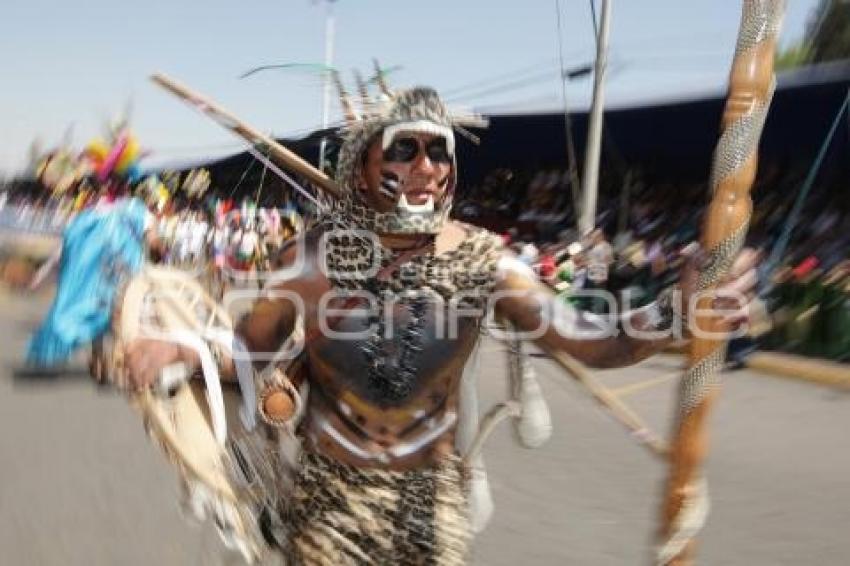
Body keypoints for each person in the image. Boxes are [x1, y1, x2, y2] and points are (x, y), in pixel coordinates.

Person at [124, 87, 758, 564]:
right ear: (362, 167)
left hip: (435, 508)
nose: (427, 168)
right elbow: (250, 351)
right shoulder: (309, 259)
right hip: (328, 504)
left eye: (439, 152)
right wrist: (184, 348)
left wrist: (677, 312)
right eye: (406, 150)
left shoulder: (487, 260)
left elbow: (591, 340)